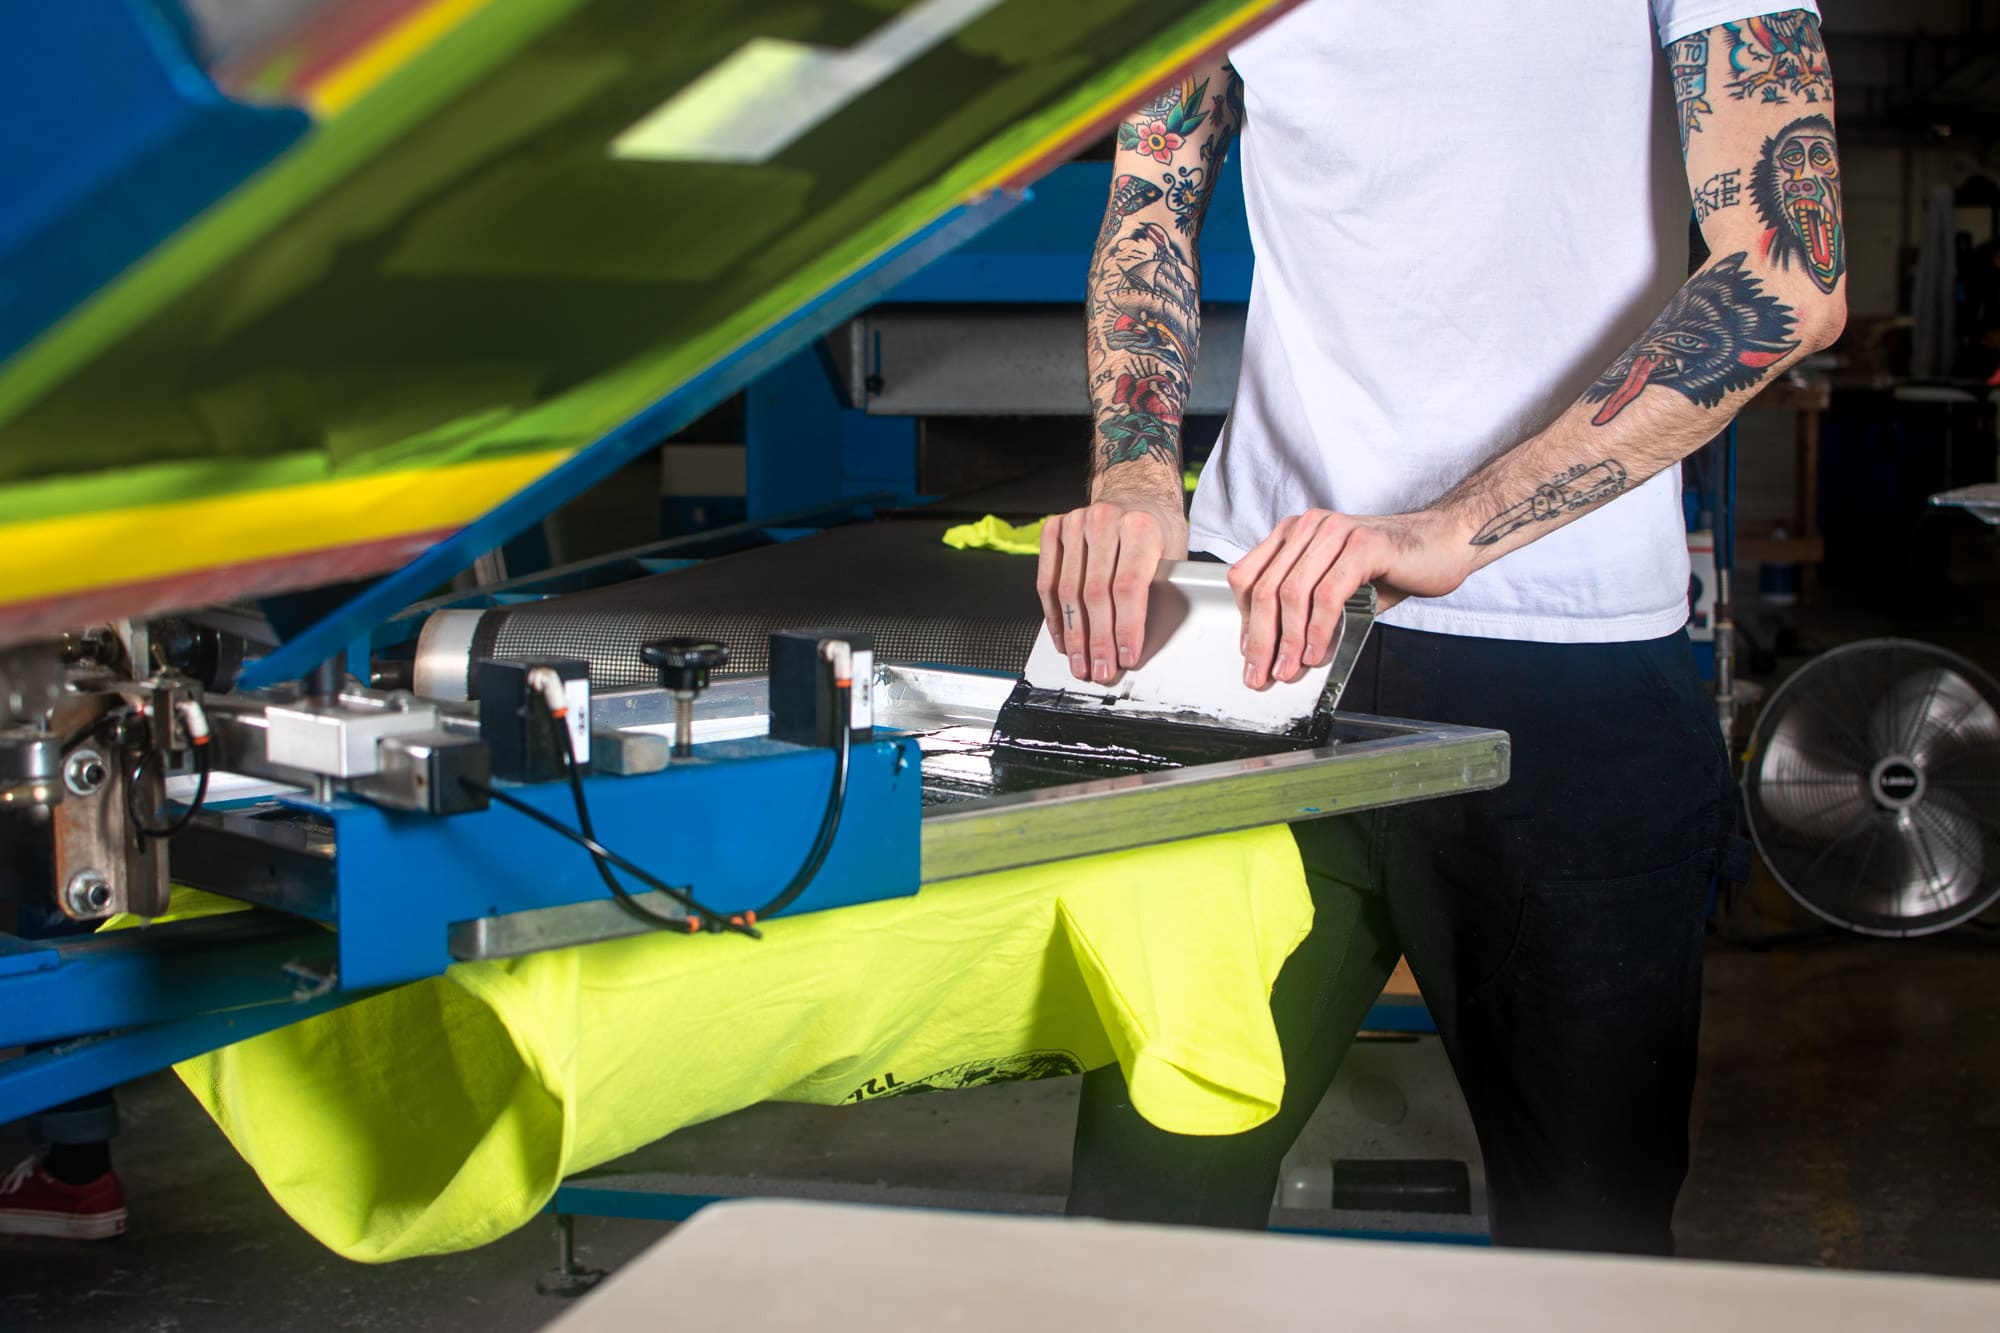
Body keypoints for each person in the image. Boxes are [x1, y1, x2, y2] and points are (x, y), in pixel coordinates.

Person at [1041, 4, 1844, 1253]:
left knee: (1589, 1248)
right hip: (1259, 644)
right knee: (1144, 1219)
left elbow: (1787, 275)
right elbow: (1152, 192)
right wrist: (1137, 471)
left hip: (1563, 675)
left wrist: (1447, 532)